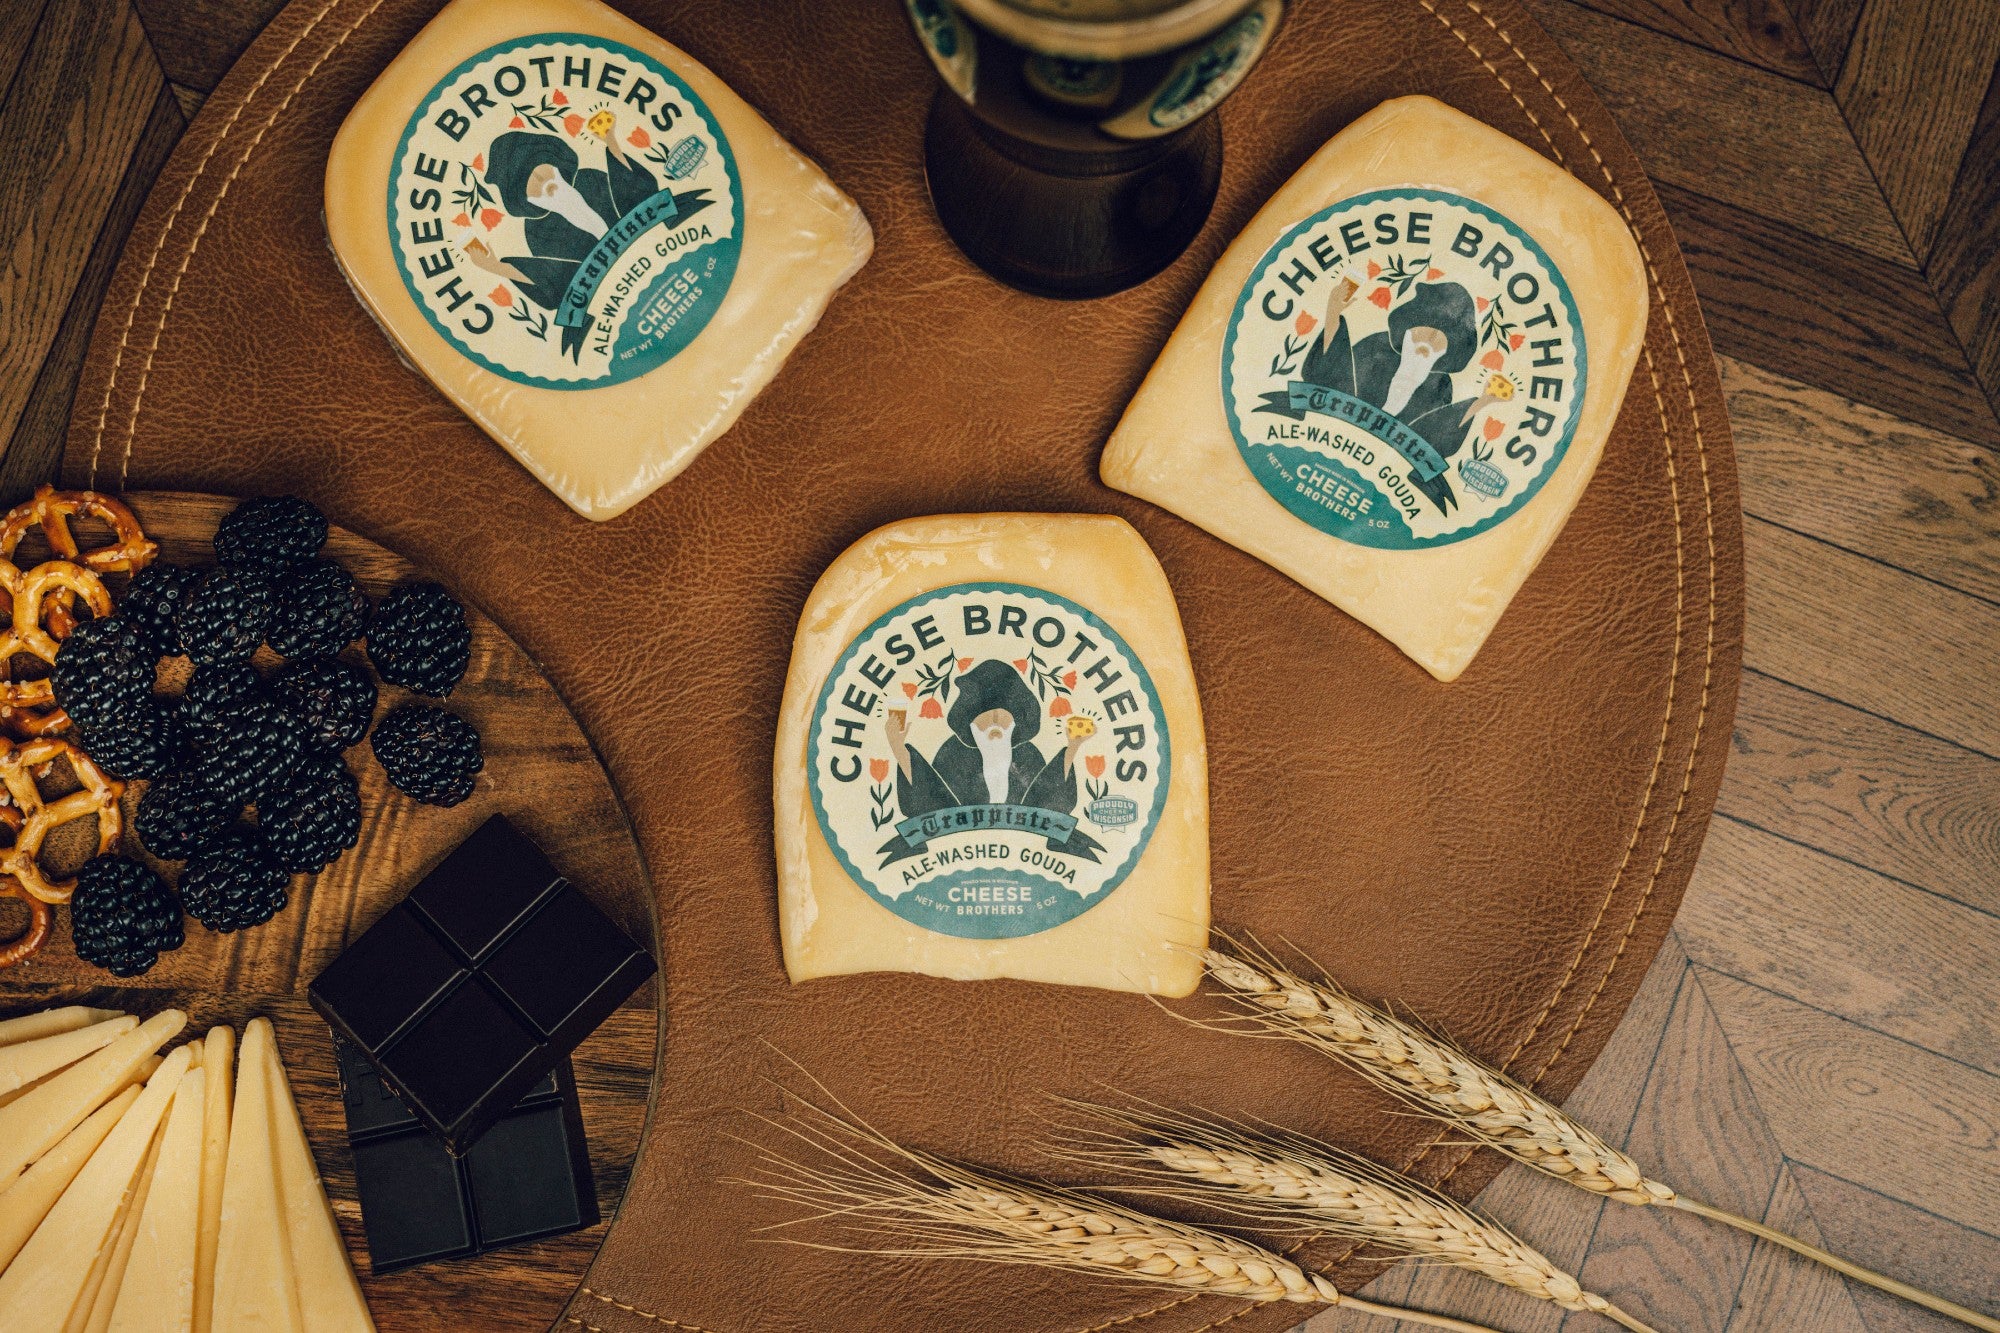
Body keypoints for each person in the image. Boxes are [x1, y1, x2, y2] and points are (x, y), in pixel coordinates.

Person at [879, 659, 1103, 865]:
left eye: (1002, 719)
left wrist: (1073, 748)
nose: (995, 729)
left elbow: (1049, 798)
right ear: (971, 725)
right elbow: (929, 798)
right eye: (985, 720)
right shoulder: (953, 753)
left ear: (1015, 723)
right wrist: (898, 748)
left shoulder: (1028, 754)